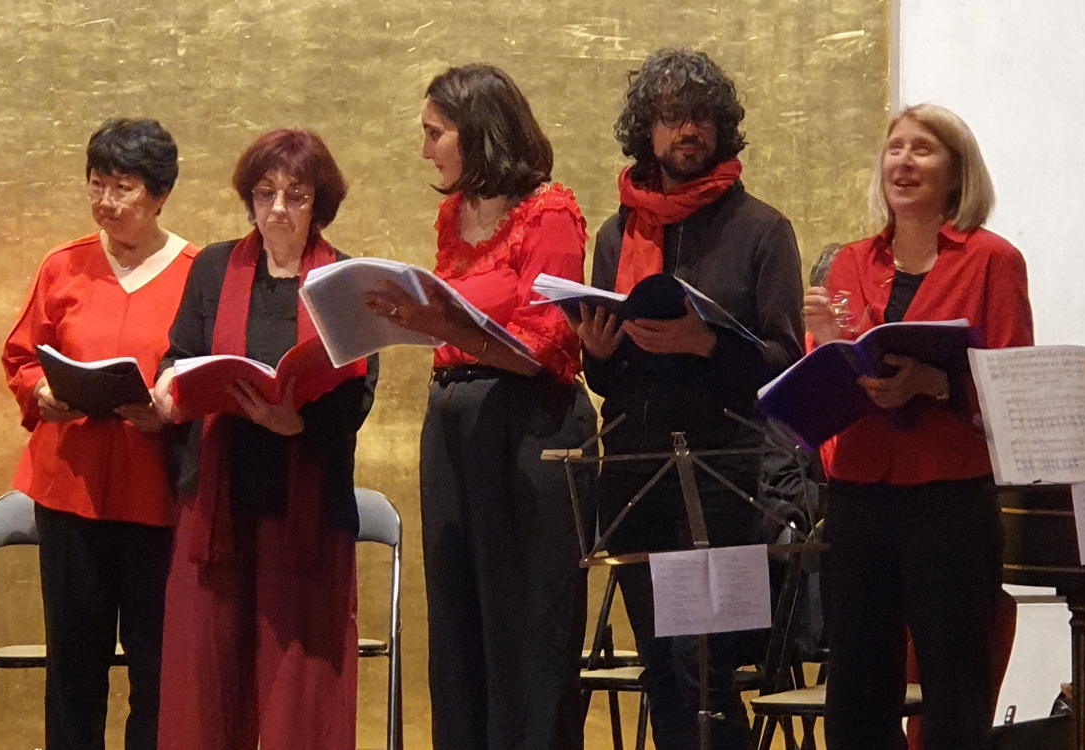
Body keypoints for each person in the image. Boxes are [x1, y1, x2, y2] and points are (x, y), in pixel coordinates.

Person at [364, 63, 597, 750]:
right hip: (454, 421)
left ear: (479, 132)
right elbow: (461, 323)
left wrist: (439, 325)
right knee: (459, 621)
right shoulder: (452, 215)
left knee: (528, 626)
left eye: (435, 133)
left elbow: (546, 349)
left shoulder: (549, 213)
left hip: (530, 424)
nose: (425, 150)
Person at [577, 48, 804, 750]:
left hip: (725, 477)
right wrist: (598, 353)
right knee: (662, 674)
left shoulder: (762, 230)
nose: (688, 130)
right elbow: (605, 381)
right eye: (673, 116)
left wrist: (705, 345)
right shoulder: (617, 233)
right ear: (645, 129)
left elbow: (786, 365)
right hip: (637, 473)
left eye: (702, 117)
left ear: (722, 127)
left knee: (704, 669)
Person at [802, 103, 1033, 750]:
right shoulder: (849, 262)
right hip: (858, 495)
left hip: (948, 498)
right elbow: (825, 392)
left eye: (922, 149)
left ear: (956, 174)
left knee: (954, 691)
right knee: (856, 694)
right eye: (895, 147)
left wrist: (934, 383)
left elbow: (1013, 388)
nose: (903, 161)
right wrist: (823, 347)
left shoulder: (993, 261)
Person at [152, 129, 378, 750]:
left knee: (297, 692)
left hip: (304, 504)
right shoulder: (214, 267)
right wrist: (168, 386)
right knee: (206, 687)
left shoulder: (344, 280)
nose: (278, 208)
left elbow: (359, 390)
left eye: (295, 195)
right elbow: (179, 354)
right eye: (265, 193)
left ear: (319, 203)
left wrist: (297, 423)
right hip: (217, 504)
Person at [1, 118, 197, 750]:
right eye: (97, 184)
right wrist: (42, 392)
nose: (106, 201)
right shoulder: (64, 265)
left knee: (157, 673)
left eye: (123, 187)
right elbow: (22, 357)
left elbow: (209, 372)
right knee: (73, 669)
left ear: (161, 194)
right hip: (70, 493)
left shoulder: (198, 273)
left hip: (158, 497)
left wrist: (170, 408)